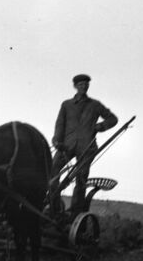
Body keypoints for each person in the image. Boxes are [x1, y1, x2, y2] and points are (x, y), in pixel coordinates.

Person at [50, 74, 118, 214]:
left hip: (87, 147)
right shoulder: (66, 105)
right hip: (66, 146)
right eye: (81, 84)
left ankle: (74, 212)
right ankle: (54, 206)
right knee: (52, 171)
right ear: (75, 86)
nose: (84, 87)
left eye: (86, 84)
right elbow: (60, 125)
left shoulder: (95, 105)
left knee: (81, 179)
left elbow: (113, 119)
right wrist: (57, 141)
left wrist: (100, 126)